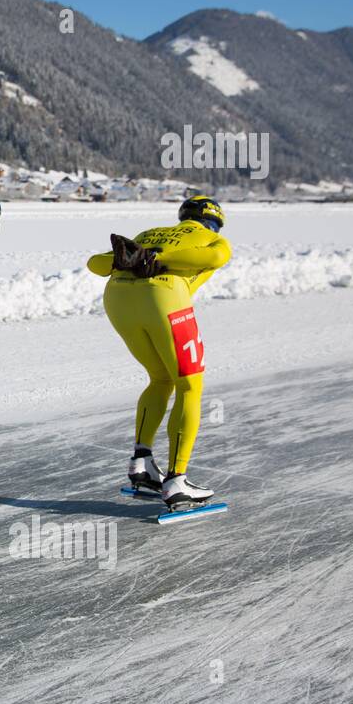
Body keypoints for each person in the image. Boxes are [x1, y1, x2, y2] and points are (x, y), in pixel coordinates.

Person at [86, 194, 232, 507]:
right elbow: (218, 258)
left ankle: (141, 462)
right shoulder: (212, 239)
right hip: (164, 299)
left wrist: (136, 258)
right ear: (216, 221)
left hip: (118, 301)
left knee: (160, 379)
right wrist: (163, 262)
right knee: (189, 385)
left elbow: (94, 264)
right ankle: (177, 481)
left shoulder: (148, 234)